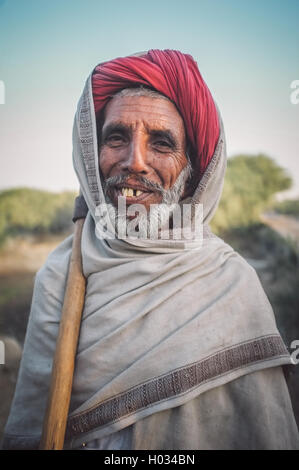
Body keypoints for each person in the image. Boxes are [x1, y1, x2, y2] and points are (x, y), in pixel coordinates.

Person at [3, 49, 299, 450]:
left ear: (194, 169)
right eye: (116, 137)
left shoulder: (231, 282)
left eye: (161, 143)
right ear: (92, 156)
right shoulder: (60, 275)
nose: (135, 162)